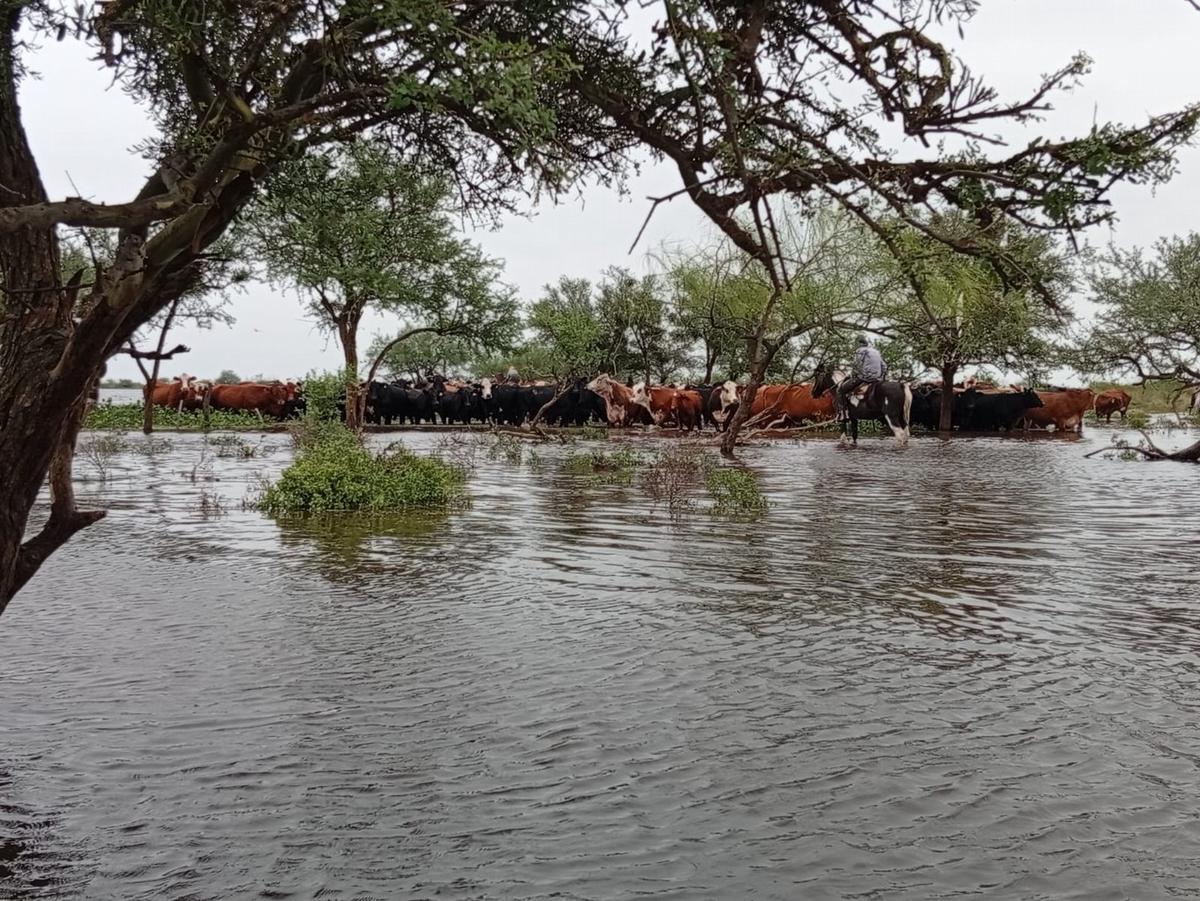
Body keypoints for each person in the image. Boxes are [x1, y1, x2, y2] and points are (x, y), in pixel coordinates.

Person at [837, 336, 887, 419]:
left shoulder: (859, 351)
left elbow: (856, 365)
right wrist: (881, 377)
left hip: (865, 378)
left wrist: (852, 375)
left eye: (856, 344)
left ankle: (844, 413)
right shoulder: (876, 351)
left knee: (840, 390)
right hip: (878, 379)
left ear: (859, 344)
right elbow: (884, 366)